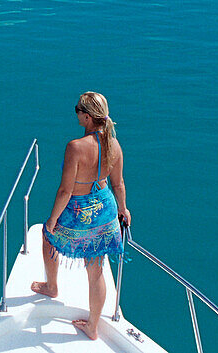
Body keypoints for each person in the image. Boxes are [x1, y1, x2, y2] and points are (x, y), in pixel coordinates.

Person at [31, 91, 131, 340]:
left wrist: (53, 220)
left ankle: (52, 287)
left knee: (47, 237)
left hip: (79, 210)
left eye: (78, 109)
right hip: (105, 208)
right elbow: (118, 184)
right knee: (95, 268)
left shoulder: (75, 147)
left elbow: (66, 190)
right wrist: (123, 209)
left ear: (86, 116)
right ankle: (92, 327)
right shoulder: (114, 145)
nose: (75, 112)